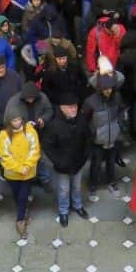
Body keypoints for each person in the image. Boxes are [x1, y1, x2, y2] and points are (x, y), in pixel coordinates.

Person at [41, 94, 91, 227]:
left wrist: (85, 156)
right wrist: (58, 162)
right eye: (70, 107)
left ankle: (77, 205)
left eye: (75, 106)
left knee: (76, 187)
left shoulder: (81, 120)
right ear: (62, 108)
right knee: (63, 189)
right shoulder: (54, 125)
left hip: (78, 162)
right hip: (62, 166)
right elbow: (48, 146)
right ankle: (63, 211)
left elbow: (87, 138)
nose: (74, 109)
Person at [0, 111, 41, 239]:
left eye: (19, 119)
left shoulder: (30, 131)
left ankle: (20, 220)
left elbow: (35, 149)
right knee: (17, 195)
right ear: (9, 122)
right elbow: (4, 156)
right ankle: (23, 212)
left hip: (27, 172)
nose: (17, 123)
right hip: (12, 174)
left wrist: (27, 165)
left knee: (23, 195)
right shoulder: (4, 135)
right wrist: (18, 168)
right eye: (14, 120)